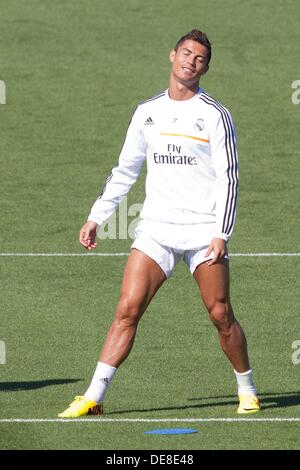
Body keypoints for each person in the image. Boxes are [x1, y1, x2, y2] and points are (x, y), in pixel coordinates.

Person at [59, 29, 260, 418]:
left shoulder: (215, 115)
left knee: (221, 314)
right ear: (172, 56)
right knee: (127, 310)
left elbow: (229, 177)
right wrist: (96, 216)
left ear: (206, 67)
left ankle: (247, 388)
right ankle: (93, 396)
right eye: (186, 53)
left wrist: (222, 233)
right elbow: (125, 170)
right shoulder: (146, 112)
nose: (191, 61)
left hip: (203, 231)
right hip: (156, 229)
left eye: (200, 58)